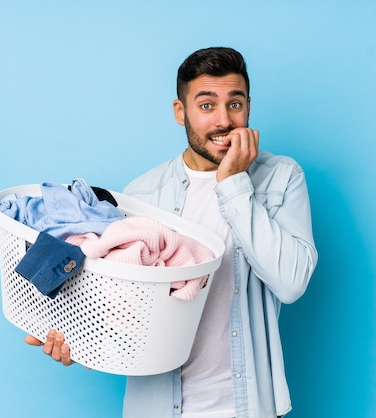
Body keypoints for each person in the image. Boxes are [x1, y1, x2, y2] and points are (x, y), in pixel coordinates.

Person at [25, 47, 318, 417]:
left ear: (248, 107)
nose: (224, 121)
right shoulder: (142, 195)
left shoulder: (281, 177)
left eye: (235, 103)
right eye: (207, 105)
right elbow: (121, 315)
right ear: (181, 112)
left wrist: (233, 184)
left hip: (246, 408)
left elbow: (291, 283)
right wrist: (79, 345)